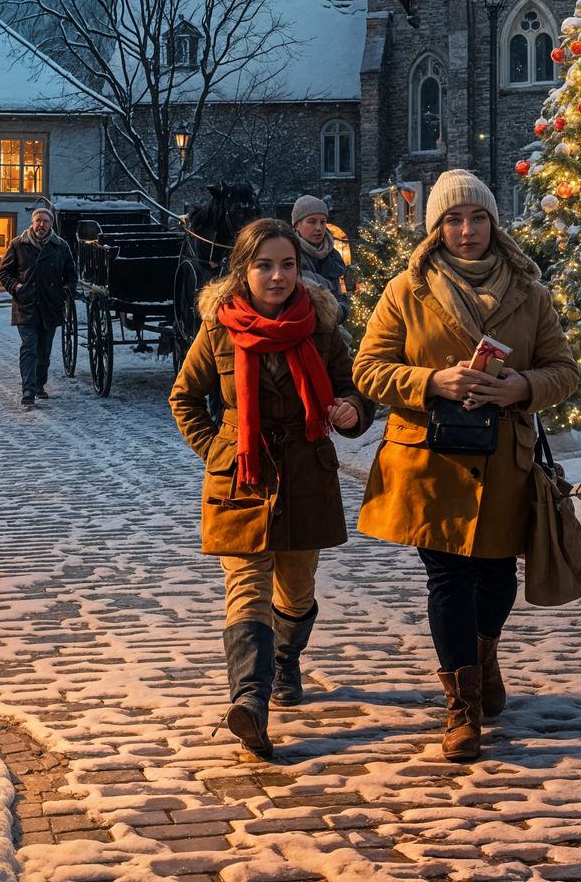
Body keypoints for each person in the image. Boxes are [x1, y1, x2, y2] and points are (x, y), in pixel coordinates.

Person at [354, 170, 578, 763]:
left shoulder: (529, 291)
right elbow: (370, 370)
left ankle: (482, 654)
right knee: (448, 577)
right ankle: (463, 707)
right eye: (453, 219)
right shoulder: (407, 290)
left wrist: (523, 387)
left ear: (494, 224)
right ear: (436, 229)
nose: (466, 230)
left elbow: (564, 370)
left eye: (477, 218)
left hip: (505, 458)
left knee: (497, 575)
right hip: (431, 460)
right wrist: (432, 381)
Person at [170, 217, 370, 760]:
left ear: (299, 269)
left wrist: (352, 410)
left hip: (306, 471)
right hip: (241, 476)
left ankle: (285, 659)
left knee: (297, 589)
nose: (276, 276)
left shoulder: (321, 326)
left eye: (286, 264)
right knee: (246, 588)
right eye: (264, 265)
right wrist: (219, 450)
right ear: (244, 270)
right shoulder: (219, 327)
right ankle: (249, 701)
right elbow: (184, 398)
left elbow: (352, 389)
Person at [0, 205, 77, 410]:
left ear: (51, 224)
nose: (41, 224)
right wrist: (16, 287)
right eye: (38, 220)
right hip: (26, 305)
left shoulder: (61, 246)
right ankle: (28, 390)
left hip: (50, 305)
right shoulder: (18, 244)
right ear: (32, 223)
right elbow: (4, 272)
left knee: (44, 352)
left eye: (46, 221)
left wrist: (65, 290)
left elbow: (71, 274)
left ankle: (39, 384)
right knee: (29, 347)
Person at [292, 195, 349, 322]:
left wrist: (341, 311)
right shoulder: (290, 255)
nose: (318, 228)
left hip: (332, 329)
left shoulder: (333, 255)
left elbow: (340, 294)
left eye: (322, 222)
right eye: (312, 222)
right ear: (297, 225)